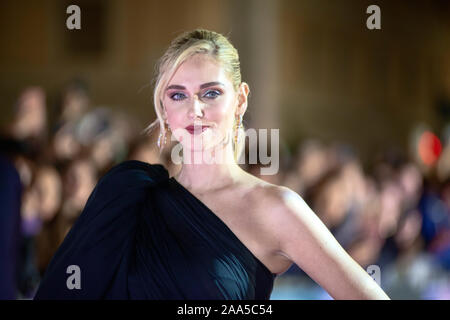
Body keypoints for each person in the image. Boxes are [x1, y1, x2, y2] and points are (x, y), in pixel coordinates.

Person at [33, 29, 390, 300]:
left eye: (211, 93)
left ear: (241, 100)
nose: (195, 109)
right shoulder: (129, 193)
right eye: (178, 95)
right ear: (164, 108)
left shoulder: (276, 208)